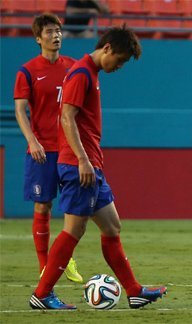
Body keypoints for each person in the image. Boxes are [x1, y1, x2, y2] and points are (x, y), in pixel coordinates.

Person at [29, 25, 167, 310]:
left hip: (91, 164)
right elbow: (66, 118)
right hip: (80, 164)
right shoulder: (81, 74)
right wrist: (82, 159)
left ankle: (133, 291)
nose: (119, 66)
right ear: (106, 49)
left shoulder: (90, 72)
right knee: (73, 231)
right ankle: (42, 294)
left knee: (112, 226)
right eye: (119, 60)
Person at [13, 14, 83, 284]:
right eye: (50, 32)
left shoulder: (74, 67)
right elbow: (20, 110)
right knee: (43, 206)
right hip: (42, 150)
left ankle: (65, 260)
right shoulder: (28, 71)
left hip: (69, 149)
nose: (56, 36)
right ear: (38, 38)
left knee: (73, 211)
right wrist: (32, 140)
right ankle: (45, 266)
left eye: (59, 31)